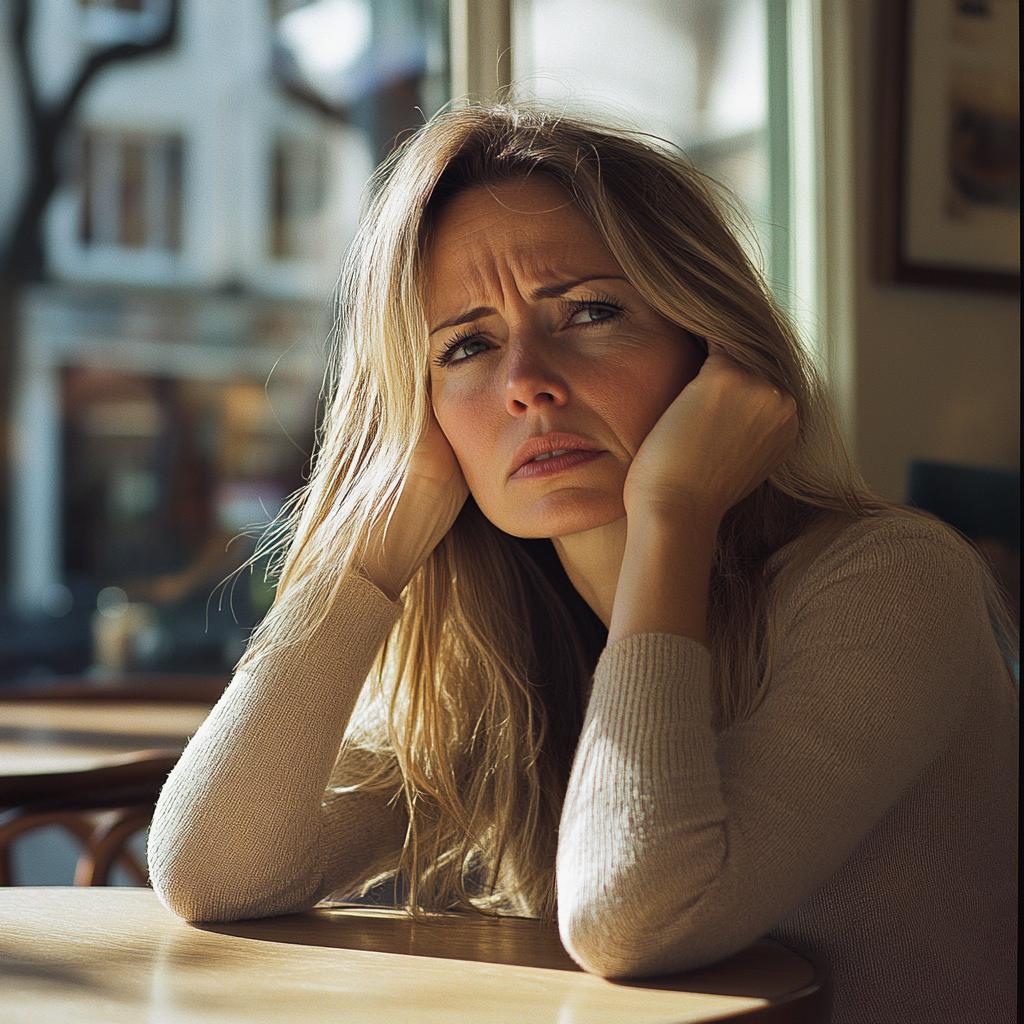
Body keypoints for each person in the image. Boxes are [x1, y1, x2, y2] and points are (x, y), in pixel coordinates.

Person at [149, 105, 1017, 1024]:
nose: (526, 379)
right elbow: (212, 870)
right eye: (468, 346)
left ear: (712, 348)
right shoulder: (490, 651)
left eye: (590, 312)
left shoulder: (893, 580)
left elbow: (637, 919)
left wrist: (672, 517)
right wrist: (368, 548)